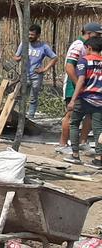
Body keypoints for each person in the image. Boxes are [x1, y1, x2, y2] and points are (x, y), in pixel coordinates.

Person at [58, 22, 101, 154]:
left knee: (90, 115)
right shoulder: (78, 45)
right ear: (89, 33)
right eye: (97, 34)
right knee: (71, 115)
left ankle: (82, 142)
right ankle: (63, 144)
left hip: (87, 89)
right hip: (73, 86)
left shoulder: (90, 47)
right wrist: (78, 84)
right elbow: (69, 67)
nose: (99, 37)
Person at [13, 23, 57, 118]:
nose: (30, 36)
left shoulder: (44, 46)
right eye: (29, 34)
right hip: (24, 74)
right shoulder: (24, 44)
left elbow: (54, 58)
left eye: (32, 35)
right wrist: (21, 57)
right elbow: (15, 57)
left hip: (36, 76)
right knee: (21, 96)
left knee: (33, 97)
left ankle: (31, 116)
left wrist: (44, 69)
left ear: (38, 35)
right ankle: (21, 115)